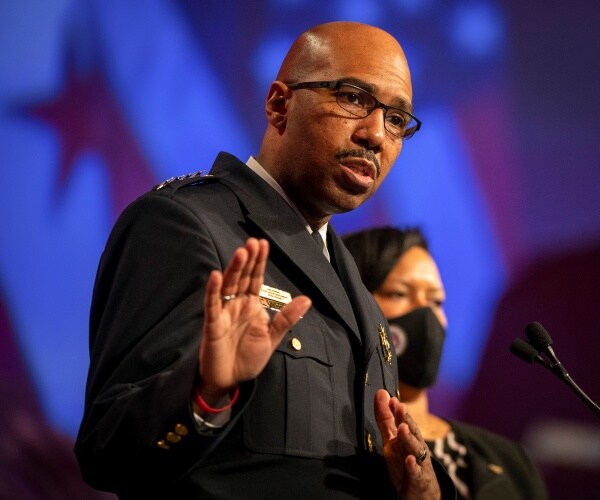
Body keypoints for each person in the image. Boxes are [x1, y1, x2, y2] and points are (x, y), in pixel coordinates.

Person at [75, 22, 456, 499]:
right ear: (280, 105)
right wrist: (203, 392)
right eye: (354, 98)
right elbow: (106, 450)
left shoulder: (358, 292)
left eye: (397, 119)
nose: (376, 135)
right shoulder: (183, 225)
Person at [342, 226, 549, 499]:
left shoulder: (511, 459)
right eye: (399, 294)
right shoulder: (337, 445)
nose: (427, 315)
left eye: (436, 301)